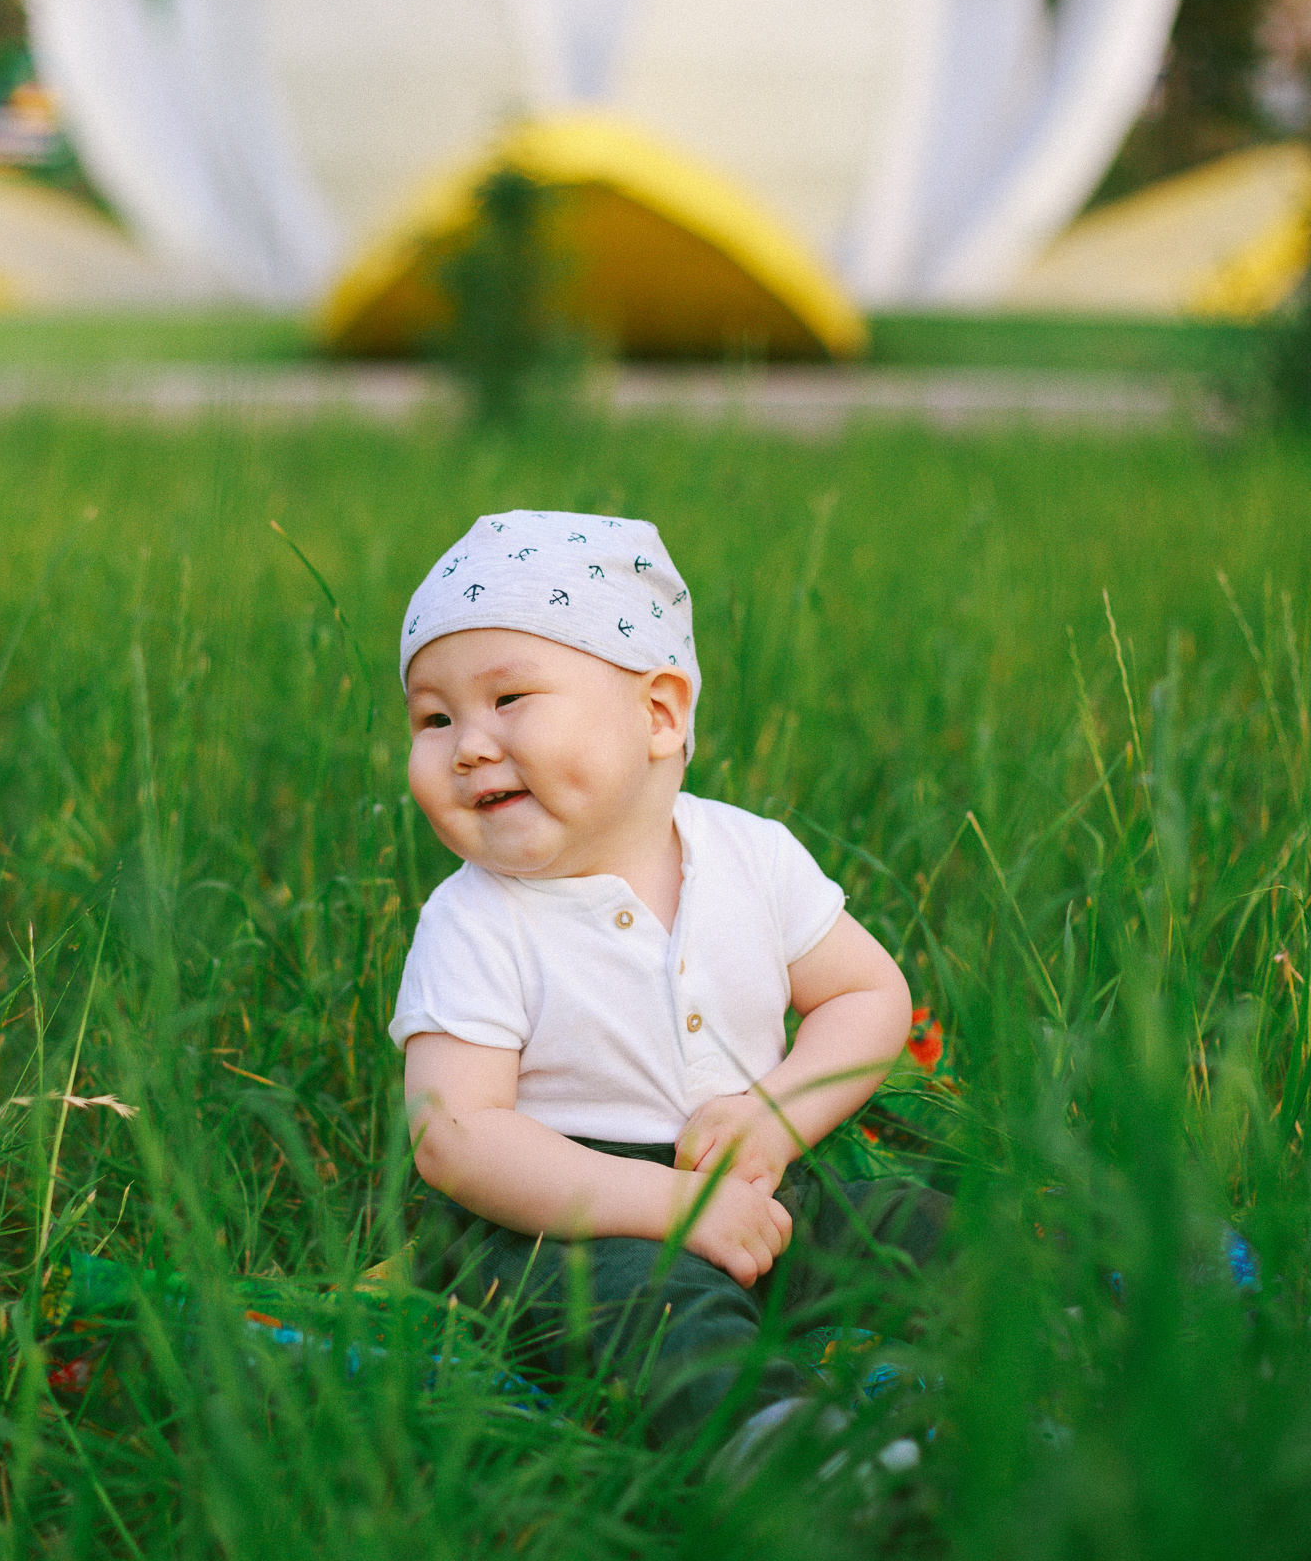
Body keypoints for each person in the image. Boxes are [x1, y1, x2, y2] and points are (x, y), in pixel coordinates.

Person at [388, 508, 951, 1461]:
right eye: (434, 718)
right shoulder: (476, 918)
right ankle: (781, 1447)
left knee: (917, 1227)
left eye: (509, 699)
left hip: (753, 1176)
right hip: (553, 1218)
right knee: (652, 1310)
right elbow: (455, 1135)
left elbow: (867, 998)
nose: (469, 745)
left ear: (659, 714)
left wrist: (776, 1116)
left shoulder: (750, 855)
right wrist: (667, 1211)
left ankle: (1104, 1330)